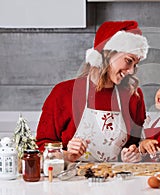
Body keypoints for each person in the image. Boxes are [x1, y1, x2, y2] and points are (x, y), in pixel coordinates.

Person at [36, 20, 149, 162]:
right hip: (73, 181)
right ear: (108, 54)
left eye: (135, 64)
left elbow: (138, 144)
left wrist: (134, 153)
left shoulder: (133, 96)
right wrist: (66, 154)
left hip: (117, 180)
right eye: (128, 61)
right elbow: (41, 147)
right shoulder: (63, 93)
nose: (132, 70)